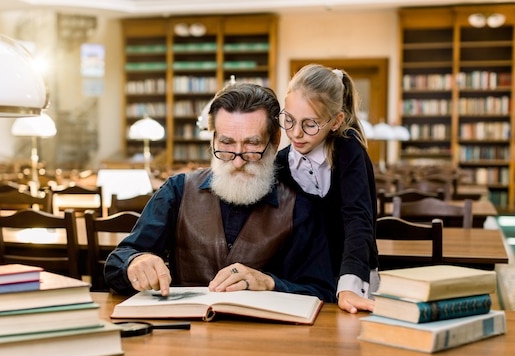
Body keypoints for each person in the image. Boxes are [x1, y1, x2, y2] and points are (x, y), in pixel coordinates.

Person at [104, 83, 337, 302]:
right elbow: (117, 262)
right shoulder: (177, 190)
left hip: (265, 339)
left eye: (251, 145)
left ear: (275, 142)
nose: (237, 161)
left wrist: (269, 283)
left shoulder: (301, 207)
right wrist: (136, 262)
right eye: (226, 144)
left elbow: (321, 291)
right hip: (184, 336)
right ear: (213, 139)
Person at [276, 64, 379, 313]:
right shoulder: (280, 163)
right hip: (306, 282)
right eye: (289, 120)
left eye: (310, 124)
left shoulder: (349, 150)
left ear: (335, 122)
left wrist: (349, 286)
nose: (296, 133)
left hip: (353, 274)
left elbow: (358, 219)